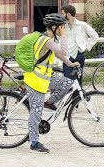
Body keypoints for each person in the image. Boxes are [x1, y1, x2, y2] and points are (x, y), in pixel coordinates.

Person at [24, 13, 80, 153]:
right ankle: (34, 143)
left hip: (45, 76)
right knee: (36, 112)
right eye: (61, 27)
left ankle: (49, 102)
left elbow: (59, 55)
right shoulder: (46, 40)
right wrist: (63, 36)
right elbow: (64, 51)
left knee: (67, 82)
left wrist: (70, 63)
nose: (63, 29)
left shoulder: (48, 39)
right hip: (36, 80)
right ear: (54, 27)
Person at [60, 4, 99, 87]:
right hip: (67, 56)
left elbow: (95, 36)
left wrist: (86, 47)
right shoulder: (63, 27)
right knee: (67, 81)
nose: (61, 15)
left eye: (63, 13)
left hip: (79, 55)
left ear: (68, 14)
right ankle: (68, 99)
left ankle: (77, 99)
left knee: (78, 81)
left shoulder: (82, 25)